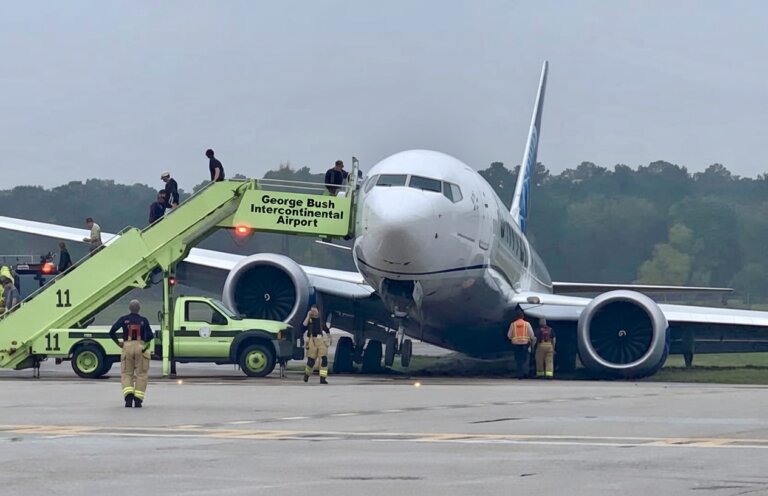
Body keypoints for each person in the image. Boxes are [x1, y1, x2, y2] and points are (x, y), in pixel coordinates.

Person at [109, 299, 154, 408]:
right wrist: (145, 346)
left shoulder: (123, 319)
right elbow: (151, 336)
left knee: (126, 373)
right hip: (140, 346)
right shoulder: (144, 320)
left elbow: (111, 331)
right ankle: (138, 399)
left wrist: (118, 343)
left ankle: (128, 397)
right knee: (141, 374)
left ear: (129, 308)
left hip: (127, 346)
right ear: (139, 309)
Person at [303, 304, 331, 384]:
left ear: (318, 311)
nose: (313, 312)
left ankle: (323, 378)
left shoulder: (321, 319)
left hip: (321, 339)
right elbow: (304, 325)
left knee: (324, 359)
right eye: (312, 310)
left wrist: (329, 338)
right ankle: (307, 375)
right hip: (312, 340)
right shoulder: (309, 319)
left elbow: (326, 328)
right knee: (311, 360)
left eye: (315, 310)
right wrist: (308, 315)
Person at [507, 310, 535, 379]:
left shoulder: (513, 324)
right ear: (523, 316)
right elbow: (532, 335)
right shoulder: (527, 324)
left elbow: (509, 335)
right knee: (525, 359)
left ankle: (519, 374)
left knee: (518, 360)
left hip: (516, 344)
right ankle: (525, 373)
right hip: (525, 344)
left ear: (516, 317)